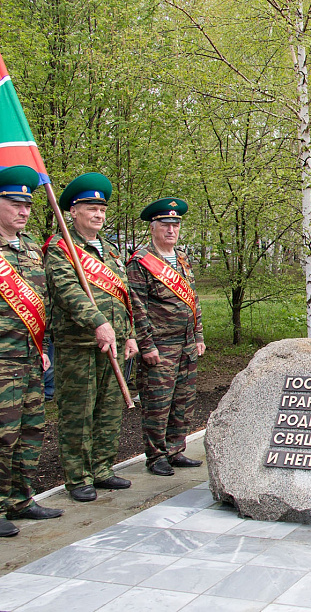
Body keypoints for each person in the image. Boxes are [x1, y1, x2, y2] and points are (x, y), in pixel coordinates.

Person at [45, 173, 138, 502]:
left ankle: (101, 468)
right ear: (73, 211)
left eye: (101, 209)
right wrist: (98, 323)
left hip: (113, 343)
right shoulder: (61, 249)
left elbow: (123, 295)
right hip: (78, 344)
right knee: (78, 413)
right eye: (90, 208)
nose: (98, 214)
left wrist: (129, 334)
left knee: (109, 410)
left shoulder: (110, 250)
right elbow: (68, 292)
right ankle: (78, 476)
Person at [0, 166, 61, 538]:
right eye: (14, 203)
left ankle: (22, 499)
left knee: (31, 431)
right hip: (2, 360)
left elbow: (43, 303)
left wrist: (43, 344)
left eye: (27, 204)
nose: (23, 211)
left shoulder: (32, 249)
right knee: (1, 435)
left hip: (31, 357)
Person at [127, 198, 206, 477]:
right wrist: (146, 344)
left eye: (175, 225)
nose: (171, 230)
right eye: (165, 225)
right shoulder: (141, 261)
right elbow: (136, 306)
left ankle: (175, 449)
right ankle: (156, 455)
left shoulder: (182, 258)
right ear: (153, 227)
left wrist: (198, 334)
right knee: (157, 403)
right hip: (160, 344)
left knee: (182, 401)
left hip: (185, 343)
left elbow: (193, 300)